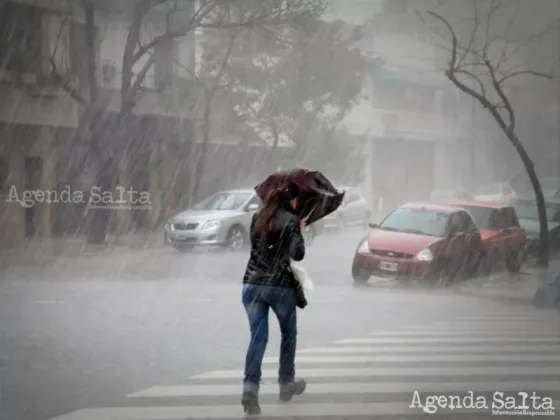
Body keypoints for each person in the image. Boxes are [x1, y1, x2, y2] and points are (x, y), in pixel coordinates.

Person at [241, 181, 307, 415]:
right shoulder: (290, 220)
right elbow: (297, 254)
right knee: (288, 334)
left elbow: (257, 248)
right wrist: (299, 229)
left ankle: (250, 388)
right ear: (292, 200)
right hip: (279, 286)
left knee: (258, 338)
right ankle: (286, 383)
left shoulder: (258, 217)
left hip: (252, 284)